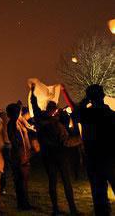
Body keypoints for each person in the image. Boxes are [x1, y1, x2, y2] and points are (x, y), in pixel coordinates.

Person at [62, 84, 115, 216]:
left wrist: (85, 100)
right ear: (103, 96)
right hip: (112, 158)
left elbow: (75, 114)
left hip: (94, 160)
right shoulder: (112, 115)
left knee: (99, 198)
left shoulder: (87, 115)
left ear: (90, 98)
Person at [31, 83, 82, 215]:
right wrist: (80, 139)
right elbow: (66, 140)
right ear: (54, 111)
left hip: (48, 156)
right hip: (60, 155)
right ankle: (72, 208)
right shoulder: (57, 125)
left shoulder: (39, 121)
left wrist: (32, 91)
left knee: (52, 182)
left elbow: (34, 106)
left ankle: (55, 209)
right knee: (66, 182)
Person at [6, 103, 32, 210]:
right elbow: (15, 142)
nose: (18, 114)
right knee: (20, 182)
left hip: (23, 155)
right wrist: (22, 157)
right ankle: (22, 204)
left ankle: (25, 203)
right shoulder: (12, 124)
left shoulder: (17, 122)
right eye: (16, 112)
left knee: (23, 182)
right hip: (19, 157)